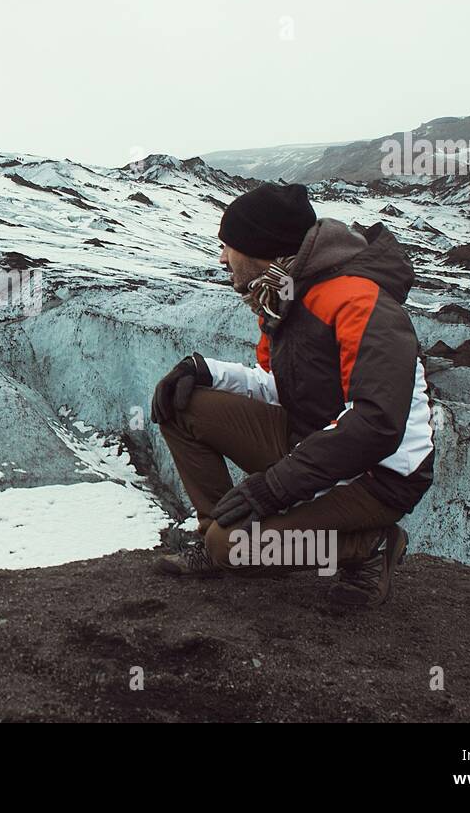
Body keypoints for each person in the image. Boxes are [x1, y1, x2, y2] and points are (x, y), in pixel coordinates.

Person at [149, 181, 435, 606]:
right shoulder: (286, 294)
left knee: (236, 546)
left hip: (379, 476)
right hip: (314, 443)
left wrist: (273, 488)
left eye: (229, 246)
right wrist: (205, 370)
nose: (222, 258)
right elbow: (283, 386)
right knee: (183, 403)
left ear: (262, 246)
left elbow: (376, 423)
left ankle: (370, 546)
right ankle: (211, 536)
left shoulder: (360, 301)